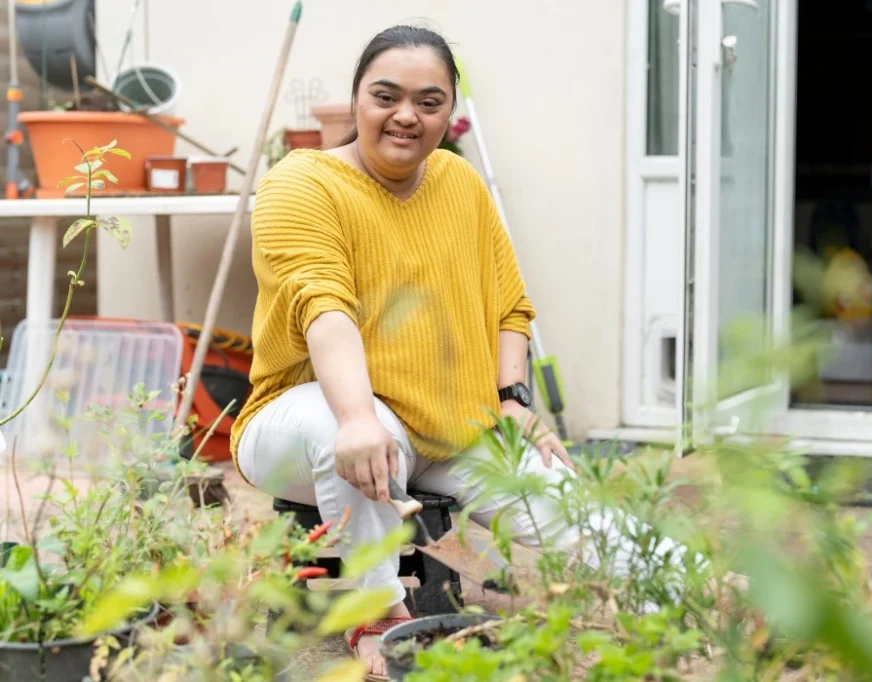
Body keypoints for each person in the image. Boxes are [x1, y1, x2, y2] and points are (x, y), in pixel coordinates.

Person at [230, 24, 685, 680]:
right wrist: (357, 415)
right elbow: (322, 306)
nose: (405, 116)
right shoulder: (300, 183)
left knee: (559, 498)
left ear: (450, 112)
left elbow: (509, 306)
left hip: (441, 426)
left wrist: (510, 399)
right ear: (356, 98)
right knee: (349, 427)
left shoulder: (459, 184)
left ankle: (708, 590)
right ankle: (380, 618)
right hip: (300, 426)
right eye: (385, 96)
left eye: (429, 101)